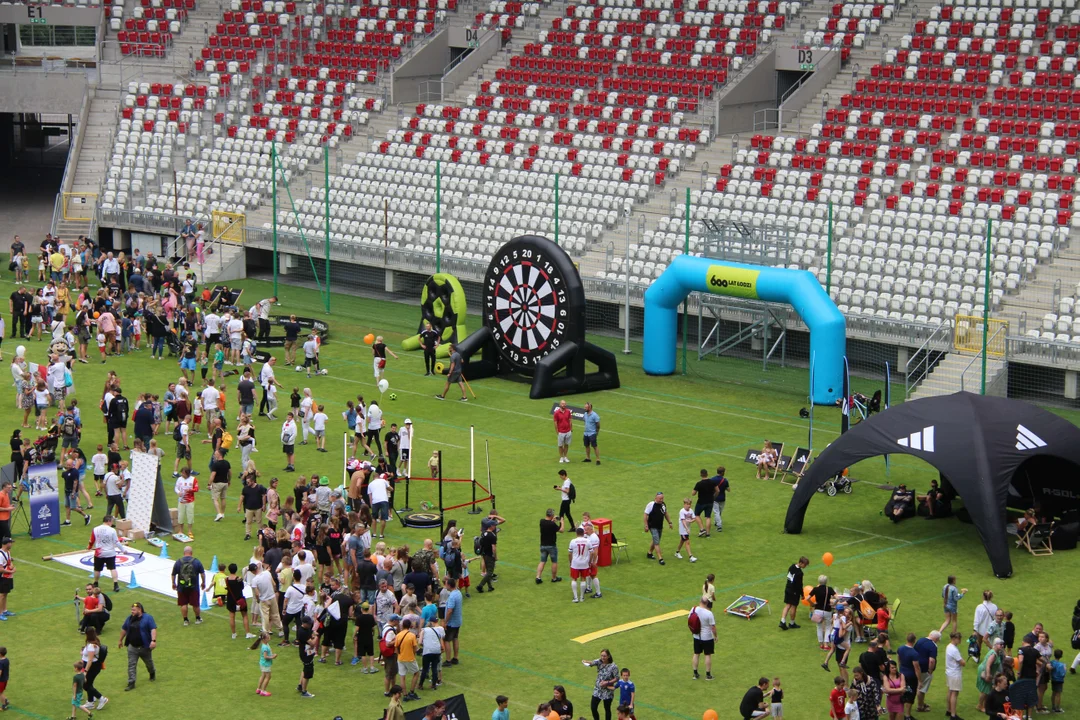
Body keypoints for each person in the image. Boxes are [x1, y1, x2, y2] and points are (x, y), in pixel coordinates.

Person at [118, 602, 157, 691]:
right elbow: (124, 629)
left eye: (134, 610)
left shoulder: (148, 618)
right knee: (131, 664)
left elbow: (153, 629)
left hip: (144, 647)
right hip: (132, 647)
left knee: (149, 663)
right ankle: (131, 683)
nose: (132, 611)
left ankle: (152, 673)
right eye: (131, 610)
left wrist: (153, 641)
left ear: (140, 610)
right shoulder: (129, 618)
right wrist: (120, 640)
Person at [171, 546, 205, 626]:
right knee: (195, 604)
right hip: (194, 586)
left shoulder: (178, 562)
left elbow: (173, 574)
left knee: (183, 604)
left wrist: (173, 583)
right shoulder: (196, 562)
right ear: (191, 553)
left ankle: (185, 620)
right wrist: (203, 582)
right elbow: (202, 574)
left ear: (184, 553)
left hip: (182, 586)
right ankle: (197, 618)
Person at [88, 516, 122, 592]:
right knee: (112, 568)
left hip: (99, 553)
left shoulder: (95, 529)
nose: (112, 523)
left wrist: (89, 547)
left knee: (97, 569)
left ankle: (96, 582)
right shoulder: (112, 530)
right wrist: (123, 550)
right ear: (108, 521)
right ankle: (115, 584)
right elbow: (116, 542)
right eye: (112, 521)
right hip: (110, 553)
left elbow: (91, 540)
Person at [583, 650, 618, 720]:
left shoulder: (613, 666)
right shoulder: (599, 661)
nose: (602, 657)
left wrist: (607, 682)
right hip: (598, 689)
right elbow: (592, 662)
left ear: (608, 656)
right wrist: (586, 661)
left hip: (607, 690)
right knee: (593, 707)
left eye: (604, 656)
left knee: (607, 708)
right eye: (601, 655)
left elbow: (617, 678)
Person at [250, 562, 282, 636]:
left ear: (252, 571)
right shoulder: (267, 573)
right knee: (275, 614)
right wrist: (273, 592)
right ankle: (280, 630)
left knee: (265, 616)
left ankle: (265, 632)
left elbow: (257, 593)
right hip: (272, 596)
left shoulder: (254, 580)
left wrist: (258, 600)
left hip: (263, 599)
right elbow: (274, 584)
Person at [690, 596, 716, 681]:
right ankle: (708, 675)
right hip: (707, 637)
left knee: (696, 654)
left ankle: (695, 673)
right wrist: (715, 636)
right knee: (707, 655)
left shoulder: (693, 609)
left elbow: (690, 621)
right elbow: (713, 627)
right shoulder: (709, 613)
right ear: (707, 603)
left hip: (696, 636)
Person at [914, 631, 941, 714]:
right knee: (921, 688)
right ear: (936, 639)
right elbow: (932, 660)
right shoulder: (933, 646)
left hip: (916, 667)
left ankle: (921, 703)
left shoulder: (920, 640)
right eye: (938, 640)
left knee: (919, 686)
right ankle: (920, 706)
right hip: (924, 669)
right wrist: (930, 670)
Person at [976, 637, 1006, 713]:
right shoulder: (993, 654)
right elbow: (988, 665)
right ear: (995, 645)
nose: (1002, 646)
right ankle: (980, 705)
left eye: (1002, 644)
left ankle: (985, 704)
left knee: (987, 688)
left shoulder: (996, 652)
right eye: (1000, 644)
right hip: (985, 671)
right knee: (985, 689)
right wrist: (988, 674)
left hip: (987, 670)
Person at [643, 491, 673, 565]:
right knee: (657, 542)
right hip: (652, 526)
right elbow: (645, 515)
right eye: (660, 498)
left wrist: (670, 522)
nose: (661, 500)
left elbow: (665, 513)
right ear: (655, 498)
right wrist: (646, 525)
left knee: (655, 539)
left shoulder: (663, 505)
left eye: (662, 498)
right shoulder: (651, 505)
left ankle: (649, 553)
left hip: (659, 526)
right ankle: (660, 558)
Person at [780, 556, 809, 631]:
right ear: (801, 563)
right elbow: (799, 585)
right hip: (794, 592)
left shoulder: (792, 567)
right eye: (805, 565)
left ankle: (782, 621)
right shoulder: (800, 573)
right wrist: (802, 595)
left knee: (787, 605)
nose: (805, 566)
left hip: (788, 588)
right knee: (793, 607)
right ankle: (792, 623)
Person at [942, 631, 966, 720]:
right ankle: (953, 715)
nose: (960, 641)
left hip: (949, 672)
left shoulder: (949, 646)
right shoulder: (954, 650)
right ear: (954, 639)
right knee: (954, 693)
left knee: (950, 691)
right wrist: (964, 662)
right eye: (958, 639)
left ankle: (948, 710)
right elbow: (962, 662)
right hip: (955, 673)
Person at [537, 508, 565, 584]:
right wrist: (562, 522)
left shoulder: (542, 521)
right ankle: (554, 578)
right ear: (552, 515)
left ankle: (538, 577)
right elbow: (561, 530)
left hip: (543, 545)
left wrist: (552, 521)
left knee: (542, 561)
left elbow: (548, 524)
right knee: (554, 562)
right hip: (551, 546)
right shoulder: (552, 524)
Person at [238, 473, 267, 541]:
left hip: (258, 507)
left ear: (253, 481)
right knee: (248, 521)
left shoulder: (259, 487)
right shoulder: (245, 488)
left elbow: (264, 496)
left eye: (248, 482)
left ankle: (259, 533)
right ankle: (248, 534)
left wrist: (264, 505)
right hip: (248, 508)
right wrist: (239, 506)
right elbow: (242, 497)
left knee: (259, 521)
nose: (247, 483)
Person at [296, 615, 317, 698]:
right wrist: (316, 637)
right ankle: (304, 692)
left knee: (305, 669)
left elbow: (310, 634)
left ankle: (300, 685)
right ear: (304, 623)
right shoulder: (302, 632)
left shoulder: (306, 629)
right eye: (308, 624)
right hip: (306, 654)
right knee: (308, 672)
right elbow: (312, 643)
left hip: (306, 652)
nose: (309, 625)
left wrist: (312, 634)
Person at [443, 578, 463, 666]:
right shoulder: (458, 593)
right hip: (458, 620)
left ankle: (448, 660)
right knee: (455, 638)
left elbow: (450, 610)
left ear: (449, 585)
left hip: (451, 622)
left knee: (446, 640)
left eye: (446, 584)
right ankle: (455, 657)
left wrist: (445, 622)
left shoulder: (452, 596)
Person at [250, 630, 276, 696]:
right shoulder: (265, 647)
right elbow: (265, 657)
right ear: (264, 639)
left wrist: (271, 655)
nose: (269, 638)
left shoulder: (265, 644)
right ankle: (263, 691)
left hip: (263, 663)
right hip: (266, 664)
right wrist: (272, 657)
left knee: (263, 675)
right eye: (268, 637)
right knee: (268, 677)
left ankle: (258, 689)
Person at [691, 469, 716, 537]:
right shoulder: (712, 482)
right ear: (707, 474)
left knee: (696, 515)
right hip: (710, 501)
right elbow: (718, 490)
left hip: (701, 502)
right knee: (708, 517)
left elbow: (693, 493)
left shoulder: (699, 484)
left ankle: (702, 529)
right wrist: (714, 497)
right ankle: (708, 534)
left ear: (701, 475)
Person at [675, 497, 700, 563]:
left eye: (690, 504)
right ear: (684, 504)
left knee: (682, 541)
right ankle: (690, 557)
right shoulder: (682, 511)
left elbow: (694, 518)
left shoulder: (691, 510)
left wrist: (691, 521)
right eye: (688, 504)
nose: (689, 505)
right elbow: (683, 521)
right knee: (687, 542)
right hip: (683, 529)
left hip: (687, 528)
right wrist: (686, 529)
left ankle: (677, 552)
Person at [476, 521, 497, 594]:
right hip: (489, 555)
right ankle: (480, 586)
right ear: (491, 526)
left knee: (488, 571)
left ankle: (490, 587)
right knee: (490, 572)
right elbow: (493, 547)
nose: (495, 526)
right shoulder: (492, 536)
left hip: (484, 554)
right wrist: (495, 556)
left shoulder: (483, 533)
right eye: (494, 525)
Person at [0, 537, 13, 621]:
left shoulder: (8, 552)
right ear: (6, 543)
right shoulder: (0, 555)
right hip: (2, 576)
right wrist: (10, 571)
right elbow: (0, 569)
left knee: (5, 593)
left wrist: (11, 566)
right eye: (10, 543)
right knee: (2, 595)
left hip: (7, 576)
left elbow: (9, 561)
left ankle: (4, 610)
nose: (11, 544)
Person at [1049, 648, 1065, 714]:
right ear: (1061, 656)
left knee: (1053, 693)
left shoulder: (1052, 662)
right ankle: (1057, 708)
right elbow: (1062, 674)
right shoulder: (1061, 665)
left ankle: (1053, 706)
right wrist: (1065, 669)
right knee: (1058, 694)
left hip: (1053, 679)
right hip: (1059, 680)